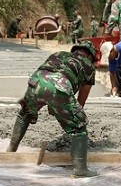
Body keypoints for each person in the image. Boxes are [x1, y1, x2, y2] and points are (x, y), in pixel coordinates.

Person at [7, 41, 98, 177]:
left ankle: (10, 150)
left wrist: (53, 105)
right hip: (59, 85)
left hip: (36, 80)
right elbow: (81, 99)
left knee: (25, 113)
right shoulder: (89, 67)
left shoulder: (59, 54)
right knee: (80, 125)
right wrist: (70, 113)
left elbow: (47, 76)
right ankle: (80, 170)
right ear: (90, 56)